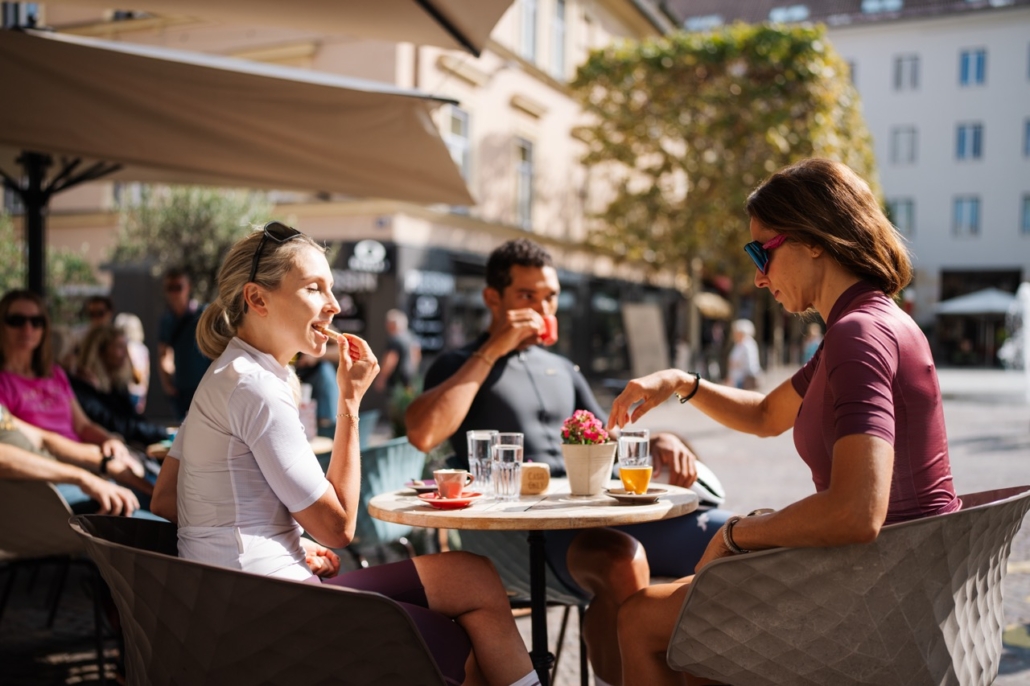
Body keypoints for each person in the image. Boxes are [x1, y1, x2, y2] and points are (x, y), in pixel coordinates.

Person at [607, 158, 961, 686]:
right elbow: (767, 415)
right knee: (697, 629)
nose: (757, 274)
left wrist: (739, 533)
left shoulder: (857, 334)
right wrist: (683, 383)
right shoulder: (870, 320)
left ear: (812, 240)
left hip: (877, 600)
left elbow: (857, 513)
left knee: (639, 619)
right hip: (903, 587)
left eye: (761, 251)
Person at [150, 222, 540, 686]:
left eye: (331, 288)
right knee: (468, 596)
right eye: (315, 289)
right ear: (257, 299)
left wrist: (282, 538)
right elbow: (339, 528)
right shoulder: (258, 388)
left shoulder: (225, 375)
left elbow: (166, 500)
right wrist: (350, 405)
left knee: (470, 578)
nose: (334, 306)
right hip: (268, 613)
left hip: (227, 602)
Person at [405, 238, 731, 685]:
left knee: (733, 543)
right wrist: (493, 349)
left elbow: (607, 438)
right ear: (492, 298)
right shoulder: (459, 364)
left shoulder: (562, 367)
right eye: (527, 296)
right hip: (518, 531)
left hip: (595, 512)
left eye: (550, 297)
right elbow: (422, 433)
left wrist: (660, 440)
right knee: (619, 561)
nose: (542, 308)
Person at [0, 289, 152, 499]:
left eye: (36, 321)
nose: (28, 328)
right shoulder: (4, 382)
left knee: (157, 491)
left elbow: (82, 425)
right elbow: (40, 441)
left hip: (86, 464)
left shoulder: (55, 373)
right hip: (49, 474)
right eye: (16, 320)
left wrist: (109, 441)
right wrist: (96, 464)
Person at [0, 403, 139, 516]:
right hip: (38, 492)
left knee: (140, 489)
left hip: (58, 479)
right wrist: (82, 478)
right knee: (133, 513)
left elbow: (42, 439)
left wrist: (105, 462)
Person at [71, 324, 171, 447]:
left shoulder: (116, 386)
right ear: (100, 351)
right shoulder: (83, 387)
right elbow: (117, 424)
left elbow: (132, 419)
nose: (125, 353)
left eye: (125, 347)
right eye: (119, 347)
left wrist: (161, 432)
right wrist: (162, 433)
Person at [158, 268, 211, 420]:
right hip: (180, 389)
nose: (175, 293)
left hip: (204, 385)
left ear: (188, 288)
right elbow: (163, 353)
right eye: (170, 288)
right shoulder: (166, 320)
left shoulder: (203, 313)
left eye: (178, 287)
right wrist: (167, 383)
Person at [114, 312, 151, 413]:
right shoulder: (143, 349)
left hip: (128, 389)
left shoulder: (125, 348)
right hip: (139, 391)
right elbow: (146, 376)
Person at [723, 318, 761, 389]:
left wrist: (736, 364)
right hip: (736, 381)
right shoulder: (738, 344)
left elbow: (750, 364)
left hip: (742, 381)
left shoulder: (748, 345)